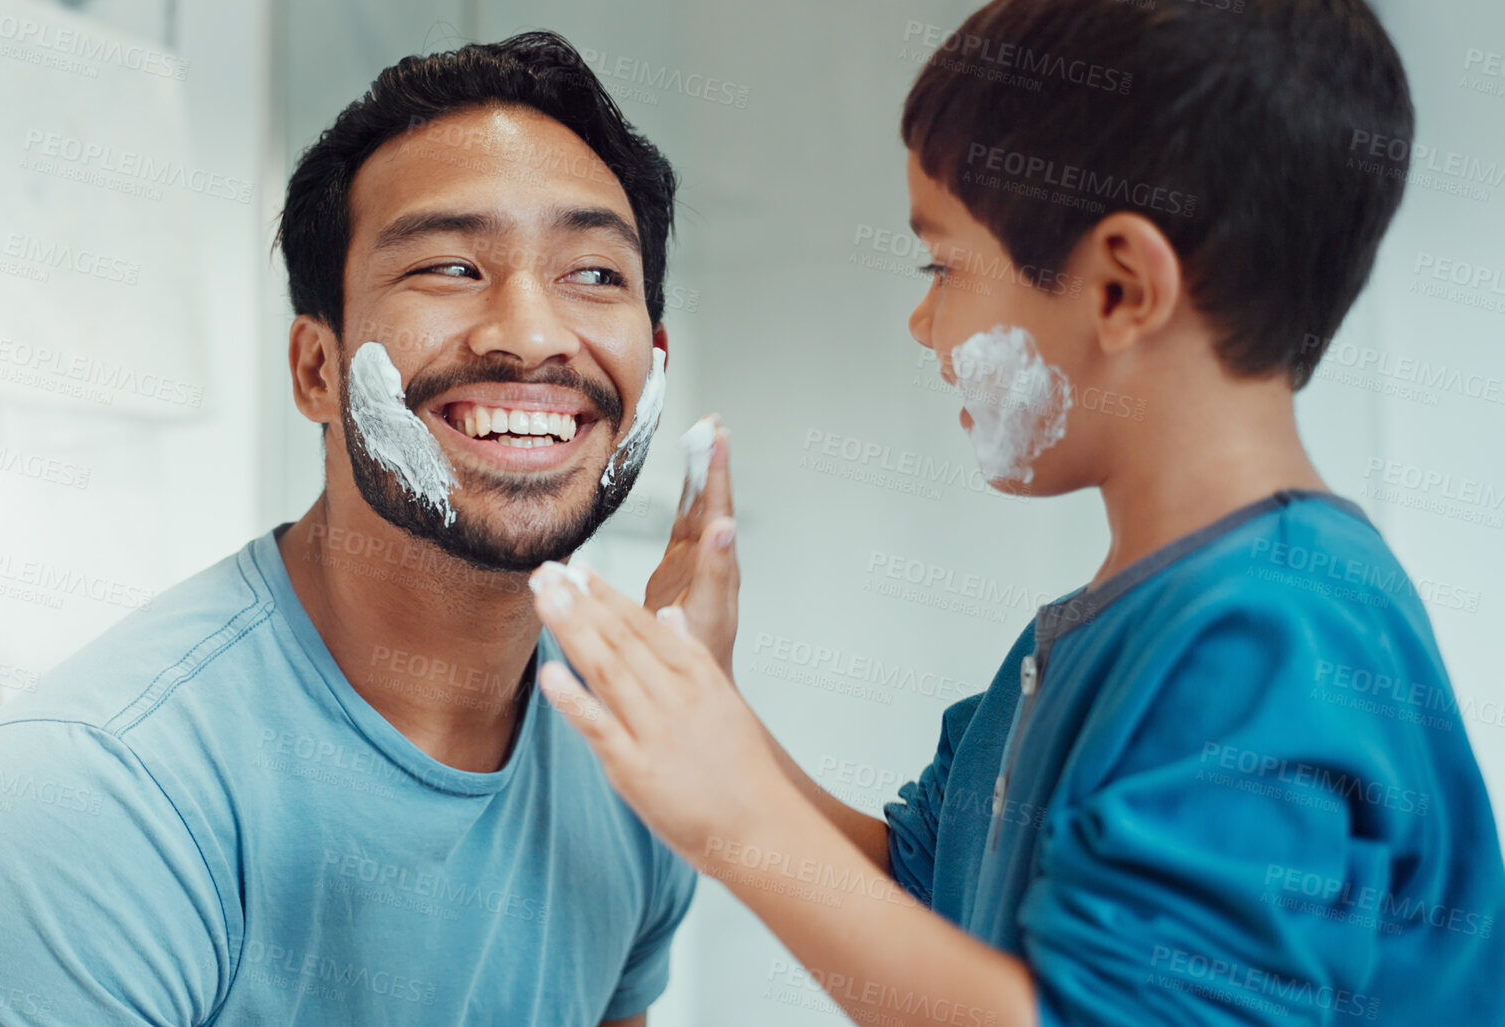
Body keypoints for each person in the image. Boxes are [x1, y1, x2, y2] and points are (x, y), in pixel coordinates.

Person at [528, 1, 1505, 1024]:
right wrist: (711, 713)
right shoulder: (1095, 636)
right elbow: (924, 913)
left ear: (1123, 289)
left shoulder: (1273, 639)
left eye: (942, 265)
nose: (922, 320)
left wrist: (742, 820)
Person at [0, 32, 695, 1026]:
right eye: (449, 264)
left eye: (595, 274)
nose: (530, 334)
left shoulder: (640, 747)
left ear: (650, 362)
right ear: (316, 368)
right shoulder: (86, 794)